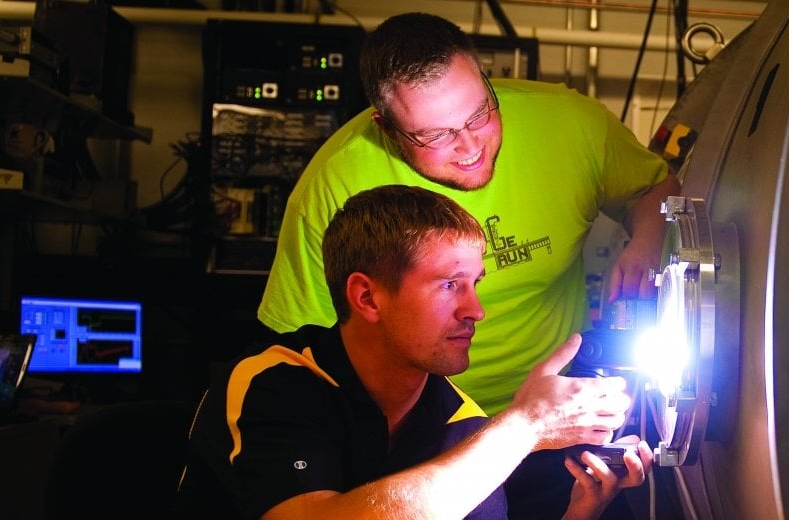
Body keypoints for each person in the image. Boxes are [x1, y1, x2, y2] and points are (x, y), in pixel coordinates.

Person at [258, 12, 680, 419]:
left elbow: (654, 188)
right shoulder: (333, 186)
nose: (470, 146)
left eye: (480, 114)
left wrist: (645, 243)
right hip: (410, 428)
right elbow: (299, 348)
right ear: (386, 129)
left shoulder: (571, 125)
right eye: (436, 135)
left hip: (559, 405)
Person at [178, 185, 651, 519]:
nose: (476, 311)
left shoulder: (458, 421)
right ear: (367, 298)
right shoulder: (276, 383)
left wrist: (579, 514)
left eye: (474, 284)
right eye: (449, 285)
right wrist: (525, 425)